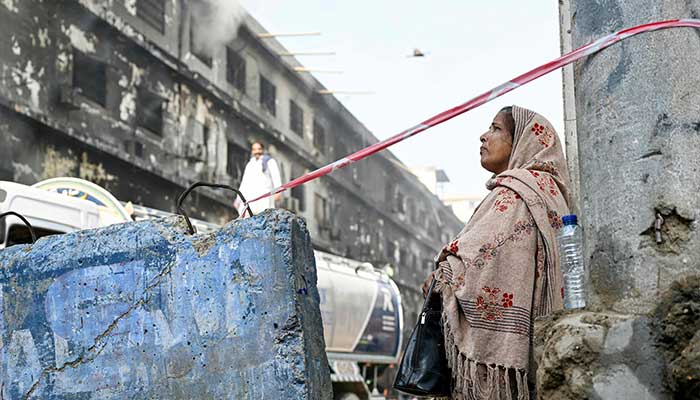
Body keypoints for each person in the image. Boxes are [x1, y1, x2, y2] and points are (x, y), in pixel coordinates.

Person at [423, 105, 571, 400]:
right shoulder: (551, 193)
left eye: (495, 128)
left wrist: (443, 276)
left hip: (498, 376)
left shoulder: (515, 193)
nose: (483, 136)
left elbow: (477, 258)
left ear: (523, 141)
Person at [234, 141, 282, 217]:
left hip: (264, 196)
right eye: (254, 149)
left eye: (259, 149)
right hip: (251, 197)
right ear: (252, 151)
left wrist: (278, 191)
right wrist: (238, 198)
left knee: (264, 217)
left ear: (262, 150)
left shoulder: (269, 161)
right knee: (248, 217)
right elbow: (244, 182)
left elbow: (276, 177)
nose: (257, 151)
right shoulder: (250, 164)